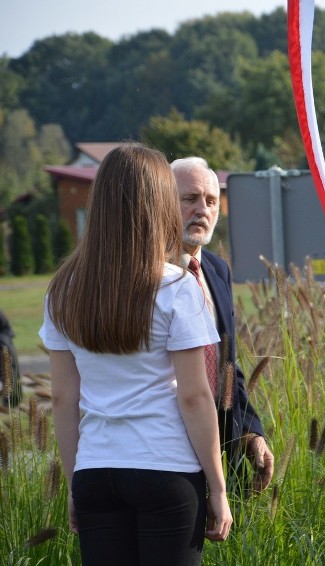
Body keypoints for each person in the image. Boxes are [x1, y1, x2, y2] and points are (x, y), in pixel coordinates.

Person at [40, 144, 232, 564]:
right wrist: (217, 488)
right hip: (166, 470)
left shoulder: (63, 290)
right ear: (158, 202)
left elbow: (62, 399)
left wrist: (75, 483)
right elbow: (195, 396)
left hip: (95, 471)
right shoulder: (176, 288)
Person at [170, 156, 274, 493]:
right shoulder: (149, 276)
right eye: (190, 199)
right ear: (161, 203)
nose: (202, 209)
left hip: (220, 448)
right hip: (166, 448)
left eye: (211, 201)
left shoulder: (216, 270)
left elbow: (228, 366)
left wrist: (251, 432)